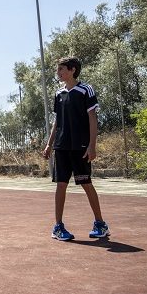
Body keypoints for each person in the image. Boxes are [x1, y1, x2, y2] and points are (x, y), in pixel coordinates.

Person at [42, 57, 109, 241]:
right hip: (61, 147)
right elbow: (57, 121)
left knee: (86, 184)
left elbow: (92, 118)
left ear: (72, 70)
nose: (58, 72)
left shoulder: (85, 90)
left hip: (80, 147)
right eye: (58, 69)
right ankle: (58, 227)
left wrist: (92, 145)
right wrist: (49, 144)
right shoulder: (59, 93)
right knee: (61, 185)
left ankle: (100, 224)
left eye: (61, 69)